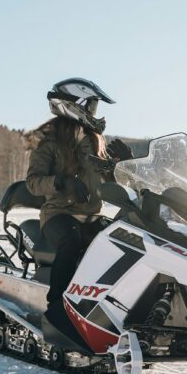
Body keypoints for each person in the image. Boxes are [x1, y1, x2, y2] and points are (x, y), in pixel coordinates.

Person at [26, 78, 132, 345]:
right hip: (58, 216)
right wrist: (60, 182)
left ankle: (115, 310)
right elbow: (33, 181)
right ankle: (56, 312)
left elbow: (111, 184)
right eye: (91, 106)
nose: (94, 113)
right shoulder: (48, 142)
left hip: (92, 216)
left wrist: (122, 163)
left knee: (125, 242)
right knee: (71, 241)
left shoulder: (96, 141)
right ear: (75, 105)